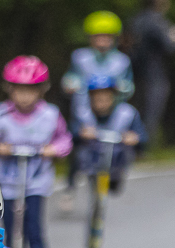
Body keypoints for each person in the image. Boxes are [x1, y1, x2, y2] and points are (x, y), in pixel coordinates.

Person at [0, 56, 73, 248]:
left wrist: (53, 149)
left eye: (30, 90)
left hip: (36, 182)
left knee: (34, 230)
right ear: (9, 89)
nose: (25, 96)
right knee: (9, 229)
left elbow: (64, 141)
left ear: (41, 90)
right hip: (6, 183)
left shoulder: (50, 115)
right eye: (19, 90)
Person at [60, 11, 134, 213]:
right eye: (98, 36)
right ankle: (70, 186)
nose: (102, 41)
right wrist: (70, 84)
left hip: (110, 114)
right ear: (90, 38)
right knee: (79, 148)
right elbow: (69, 79)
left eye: (107, 37)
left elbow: (129, 86)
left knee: (116, 147)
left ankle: (113, 179)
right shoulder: (80, 57)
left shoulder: (121, 61)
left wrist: (123, 87)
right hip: (84, 112)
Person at [75, 74, 147, 194]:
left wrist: (134, 138)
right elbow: (70, 136)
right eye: (96, 96)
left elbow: (142, 136)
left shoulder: (127, 113)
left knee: (113, 188)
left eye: (105, 95)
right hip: (92, 160)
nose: (101, 100)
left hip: (117, 160)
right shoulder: (83, 114)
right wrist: (81, 133)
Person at [129, 0, 175, 143]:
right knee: (151, 110)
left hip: (135, 71)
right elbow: (170, 47)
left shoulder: (136, 20)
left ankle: (135, 142)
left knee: (138, 108)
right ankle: (142, 144)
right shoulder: (156, 22)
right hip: (154, 72)